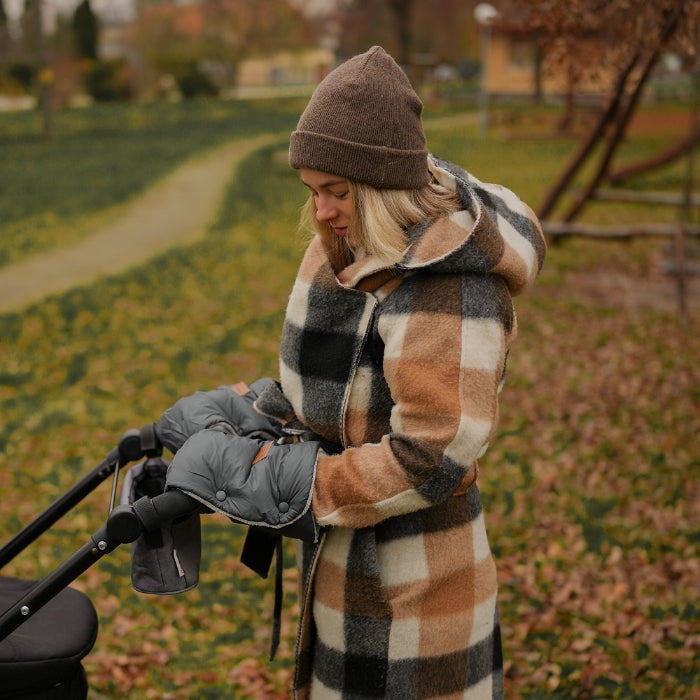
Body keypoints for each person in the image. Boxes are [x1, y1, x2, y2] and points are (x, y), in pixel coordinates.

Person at [155, 46, 546, 700]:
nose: (324, 211)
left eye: (337, 191)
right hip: (343, 572)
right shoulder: (355, 247)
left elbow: (430, 456)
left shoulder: (449, 288)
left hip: (417, 594)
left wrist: (294, 482)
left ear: (383, 185)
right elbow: (340, 389)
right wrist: (254, 411)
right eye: (313, 191)